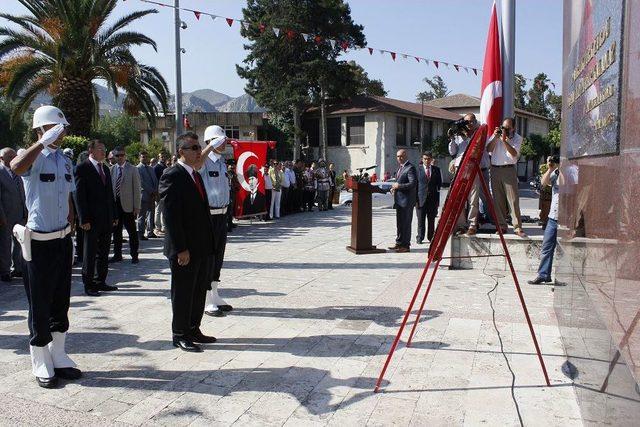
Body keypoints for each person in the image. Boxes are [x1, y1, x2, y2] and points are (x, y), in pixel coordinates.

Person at [10, 105, 81, 388]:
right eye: (54, 129)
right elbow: (16, 167)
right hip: (38, 243)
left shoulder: (64, 161)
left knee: (61, 299)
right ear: (41, 129)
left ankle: (58, 354)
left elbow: (69, 195)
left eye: (61, 130)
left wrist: (72, 219)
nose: (60, 135)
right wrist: (41, 143)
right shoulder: (33, 158)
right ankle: (39, 357)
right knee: (39, 303)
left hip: (62, 239)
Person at [160, 132, 216, 352]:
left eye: (198, 146)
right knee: (183, 291)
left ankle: (193, 328)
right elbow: (171, 216)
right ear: (181, 151)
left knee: (198, 289)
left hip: (200, 245)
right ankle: (180, 333)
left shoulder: (195, 174)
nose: (197, 151)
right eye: (193, 147)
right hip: (184, 248)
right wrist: (181, 248)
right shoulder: (172, 175)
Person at [74, 140, 117, 296]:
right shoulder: (82, 168)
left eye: (105, 149)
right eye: (100, 149)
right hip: (90, 220)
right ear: (91, 150)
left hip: (106, 218)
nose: (104, 152)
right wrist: (83, 218)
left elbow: (109, 194)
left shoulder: (104, 168)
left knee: (104, 252)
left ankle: (101, 281)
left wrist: (114, 215)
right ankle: (89, 284)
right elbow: (79, 195)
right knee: (90, 253)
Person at [199, 125, 233, 318]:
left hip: (222, 214)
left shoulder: (221, 162)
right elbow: (196, 165)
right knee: (209, 257)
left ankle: (215, 294)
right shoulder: (203, 161)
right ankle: (206, 299)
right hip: (209, 216)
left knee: (218, 257)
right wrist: (211, 147)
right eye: (220, 140)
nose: (224, 143)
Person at [487, 117, 527, 237]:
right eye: (503, 127)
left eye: (507, 128)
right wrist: (495, 137)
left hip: (508, 169)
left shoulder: (518, 138)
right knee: (498, 200)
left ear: (513, 128)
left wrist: (504, 141)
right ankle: (501, 226)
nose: (504, 129)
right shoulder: (497, 136)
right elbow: (488, 149)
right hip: (495, 169)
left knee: (513, 200)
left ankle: (517, 227)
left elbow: (514, 154)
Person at [448, 113, 485, 236]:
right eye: (465, 122)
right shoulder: (460, 134)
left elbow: (475, 147)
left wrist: (466, 136)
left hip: (473, 166)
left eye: (470, 122)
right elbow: (453, 151)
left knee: (473, 197)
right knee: (460, 197)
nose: (467, 125)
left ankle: (472, 224)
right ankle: (461, 225)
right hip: (460, 166)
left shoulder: (479, 133)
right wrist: (452, 138)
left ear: (475, 122)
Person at [528, 156, 560, 285]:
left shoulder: (572, 172)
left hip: (566, 218)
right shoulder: (555, 172)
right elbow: (544, 182)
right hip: (553, 216)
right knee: (547, 246)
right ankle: (543, 274)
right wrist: (551, 168)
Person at [109, 147, 141, 264]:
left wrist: (137, 206)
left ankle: (134, 255)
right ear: (114, 157)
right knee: (116, 232)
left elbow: (137, 189)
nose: (120, 157)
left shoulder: (133, 169)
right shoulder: (111, 169)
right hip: (115, 206)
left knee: (132, 232)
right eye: (117, 156)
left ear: (125, 156)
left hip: (129, 206)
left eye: (122, 155)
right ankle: (117, 255)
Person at [0, 147, 28, 282]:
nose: (13, 158)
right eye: (10, 157)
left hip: (20, 214)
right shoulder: (0, 173)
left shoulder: (18, 171)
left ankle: (18, 268)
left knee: (19, 243)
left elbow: (23, 192)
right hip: (6, 215)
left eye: (14, 156)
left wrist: (26, 211)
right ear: (1, 159)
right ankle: (5, 271)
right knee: (5, 244)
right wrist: (2, 216)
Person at [389, 149, 417, 253]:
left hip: (407, 202)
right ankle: (399, 243)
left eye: (401, 156)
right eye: (397, 156)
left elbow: (413, 183)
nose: (399, 158)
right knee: (400, 223)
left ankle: (406, 246)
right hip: (399, 201)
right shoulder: (400, 168)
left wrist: (398, 186)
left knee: (406, 224)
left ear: (406, 156)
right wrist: (394, 188)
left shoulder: (410, 168)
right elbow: (398, 182)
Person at [415, 151, 442, 244]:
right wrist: (416, 201)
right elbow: (415, 186)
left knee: (431, 220)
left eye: (428, 159)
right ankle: (420, 237)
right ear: (422, 159)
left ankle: (431, 237)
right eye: (425, 159)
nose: (427, 161)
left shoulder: (436, 170)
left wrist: (437, 201)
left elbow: (439, 187)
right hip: (420, 200)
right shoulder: (417, 170)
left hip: (432, 200)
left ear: (431, 159)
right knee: (420, 221)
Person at [136, 151, 158, 240]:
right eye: (143, 157)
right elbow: (141, 182)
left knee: (151, 214)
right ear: (139, 158)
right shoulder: (137, 168)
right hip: (144, 195)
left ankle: (150, 232)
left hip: (152, 196)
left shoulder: (151, 168)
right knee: (142, 215)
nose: (145, 158)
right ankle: (140, 233)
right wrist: (151, 191)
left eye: (146, 157)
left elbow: (155, 180)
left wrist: (156, 191)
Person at [153, 152, 168, 235]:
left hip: (165, 191)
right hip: (159, 192)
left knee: (164, 210)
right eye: (161, 157)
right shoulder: (156, 167)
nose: (163, 158)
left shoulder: (165, 167)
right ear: (158, 157)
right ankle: (157, 227)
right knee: (158, 210)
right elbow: (155, 181)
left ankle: (163, 227)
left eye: (164, 157)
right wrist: (156, 192)